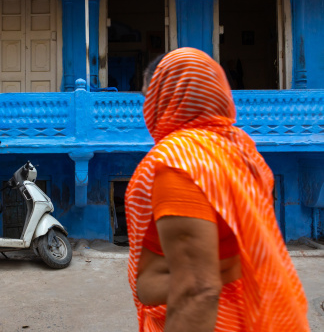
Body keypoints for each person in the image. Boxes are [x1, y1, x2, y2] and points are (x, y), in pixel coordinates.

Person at [125, 48, 309, 331]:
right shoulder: (240, 149)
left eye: (147, 96)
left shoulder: (179, 162)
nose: (146, 107)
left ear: (163, 95)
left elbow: (197, 290)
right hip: (256, 310)